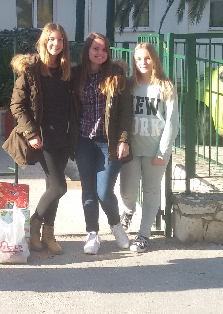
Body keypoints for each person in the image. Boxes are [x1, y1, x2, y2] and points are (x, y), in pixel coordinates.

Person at [7, 23, 77, 255]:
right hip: (43, 138)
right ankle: (34, 225)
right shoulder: (31, 70)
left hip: (64, 136)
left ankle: (48, 235)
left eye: (61, 40)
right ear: (44, 42)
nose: (56, 44)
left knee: (51, 187)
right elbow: (17, 105)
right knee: (59, 186)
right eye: (52, 39)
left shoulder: (67, 71)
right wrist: (31, 133)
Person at [72, 32, 132, 255]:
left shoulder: (116, 74)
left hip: (109, 142)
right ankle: (92, 234)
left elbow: (126, 111)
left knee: (104, 191)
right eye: (96, 48)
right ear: (87, 50)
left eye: (104, 49)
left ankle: (116, 226)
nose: (100, 53)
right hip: (83, 141)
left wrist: (123, 140)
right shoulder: (76, 75)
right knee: (88, 190)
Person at [119, 42, 179, 252]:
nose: (143, 62)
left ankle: (143, 235)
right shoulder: (129, 85)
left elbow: (172, 122)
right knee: (127, 190)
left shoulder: (165, 86)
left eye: (147, 58)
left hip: (155, 150)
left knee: (151, 191)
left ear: (154, 60)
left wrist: (162, 152)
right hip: (132, 148)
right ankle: (128, 210)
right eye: (138, 59)